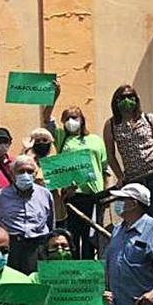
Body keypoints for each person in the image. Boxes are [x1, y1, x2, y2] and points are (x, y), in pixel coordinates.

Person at [55, 106, 113, 260]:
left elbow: (105, 168)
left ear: (82, 120)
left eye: (74, 117)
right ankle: (75, 276)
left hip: (95, 196)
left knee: (92, 239)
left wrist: (107, 193)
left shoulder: (95, 140)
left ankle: (91, 277)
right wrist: (55, 94)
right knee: (72, 238)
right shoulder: (62, 138)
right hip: (72, 196)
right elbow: (46, 119)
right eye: (67, 118)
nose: (71, 121)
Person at [0, 155, 55, 274]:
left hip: (37, 247)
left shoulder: (45, 195)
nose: (25, 175)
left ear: (35, 174)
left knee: (35, 285)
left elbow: (51, 224)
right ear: (13, 174)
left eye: (30, 171)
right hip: (11, 248)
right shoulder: (0, 196)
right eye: (21, 171)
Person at [104, 84, 153, 220]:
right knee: (136, 217)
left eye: (130, 96)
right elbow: (110, 154)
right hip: (133, 179)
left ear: (136, 99)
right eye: (122, 97)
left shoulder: (148, 118)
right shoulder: (111, 124)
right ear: (116, 101)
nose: (127, 100)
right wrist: (120, 176)